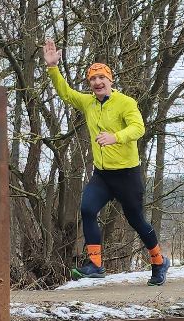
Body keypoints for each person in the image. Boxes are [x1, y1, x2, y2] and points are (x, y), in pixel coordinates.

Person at [40, 40, 169, 285]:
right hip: (102, 175)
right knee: (87, 209)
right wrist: (52, 68)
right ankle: (96, 264)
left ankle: (159, 261)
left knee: (136, 221)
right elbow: (66, 93)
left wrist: (116, 137)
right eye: (92, 79)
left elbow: (138, 128)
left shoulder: (125, 103)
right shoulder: (88, 103)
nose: (97, 82)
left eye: (101, 78)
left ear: (110, 81)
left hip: (127, 175)